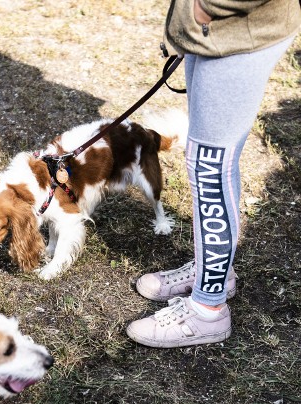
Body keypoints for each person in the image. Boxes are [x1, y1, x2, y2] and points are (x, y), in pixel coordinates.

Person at [126, 0, 301, 348]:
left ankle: (208, 311)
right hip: (220, 29)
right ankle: (215, 274)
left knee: (209, 165)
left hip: (235, 27)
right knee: (213, 158)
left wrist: (208, 7)